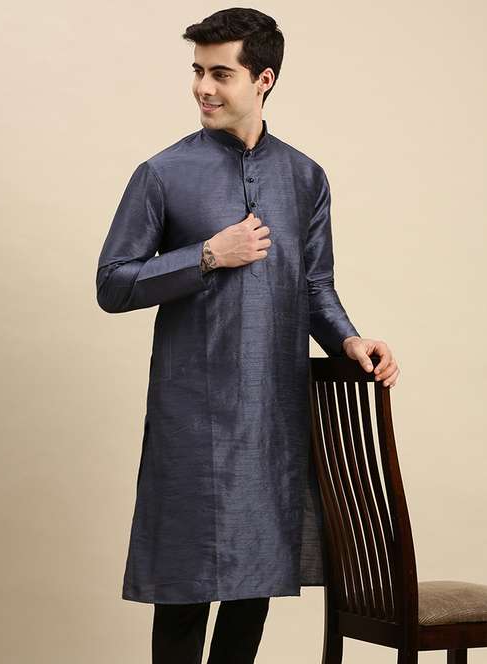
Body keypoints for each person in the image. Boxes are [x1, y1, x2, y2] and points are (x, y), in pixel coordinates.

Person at [95, 7, 400, 663]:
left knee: (253, 586)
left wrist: (348, 341)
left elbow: (314, 286)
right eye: (197, 72)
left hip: (270, 416)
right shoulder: (163, 173)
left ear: (264, 79)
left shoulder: (304, 178)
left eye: (220, 74)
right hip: (190, 416)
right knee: (182, 590)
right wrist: (208, 254)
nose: (203, 88)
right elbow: (113, 284)